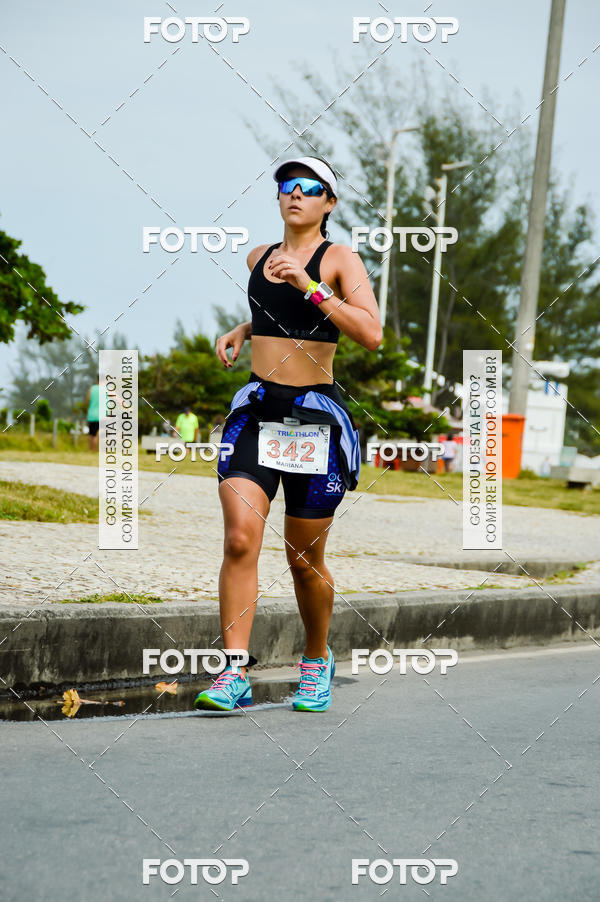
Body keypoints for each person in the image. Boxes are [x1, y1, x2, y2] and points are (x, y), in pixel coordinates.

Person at [193, 156, 382, 714]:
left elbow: (370, 333)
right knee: (239, 539)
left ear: (329, 202)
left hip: (314, 418)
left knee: (303, 557)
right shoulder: (257, 257)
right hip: (255, 409)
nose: (294, 195)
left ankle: (316, 659)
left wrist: (311, 286)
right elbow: (277, 319)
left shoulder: (341, 259)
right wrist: (244, 328)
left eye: (309, 188)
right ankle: (234, 672)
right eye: (286, 187)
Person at [85, 383, 100, 451]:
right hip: (101, 415)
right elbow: (116, 398)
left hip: (91, 415)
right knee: (96, 435)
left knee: (91, 434)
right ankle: (94, 450)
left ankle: (91, 450)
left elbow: (87, 401)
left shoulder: (92, 389)